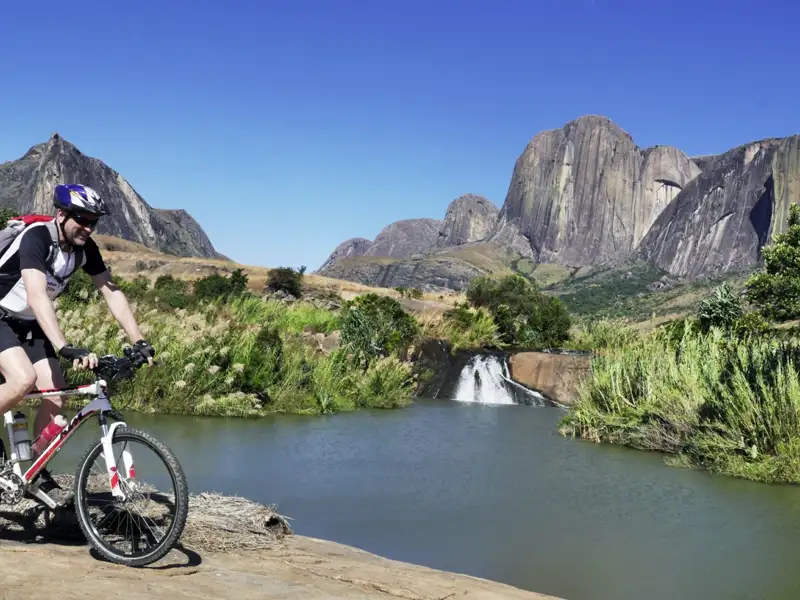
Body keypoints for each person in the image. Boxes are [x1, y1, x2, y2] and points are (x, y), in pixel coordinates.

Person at [0, 183, 155, 500]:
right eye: (82, 220)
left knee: (56, 396)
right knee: (22, 379)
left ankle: (33, 471)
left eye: (93, 222)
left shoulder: (85, 250)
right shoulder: (37, 238)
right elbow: (36, 293)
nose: (87, 227)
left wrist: (139, 339)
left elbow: (110, 290)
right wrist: (63, 344)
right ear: (61, 214)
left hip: (28, 323)